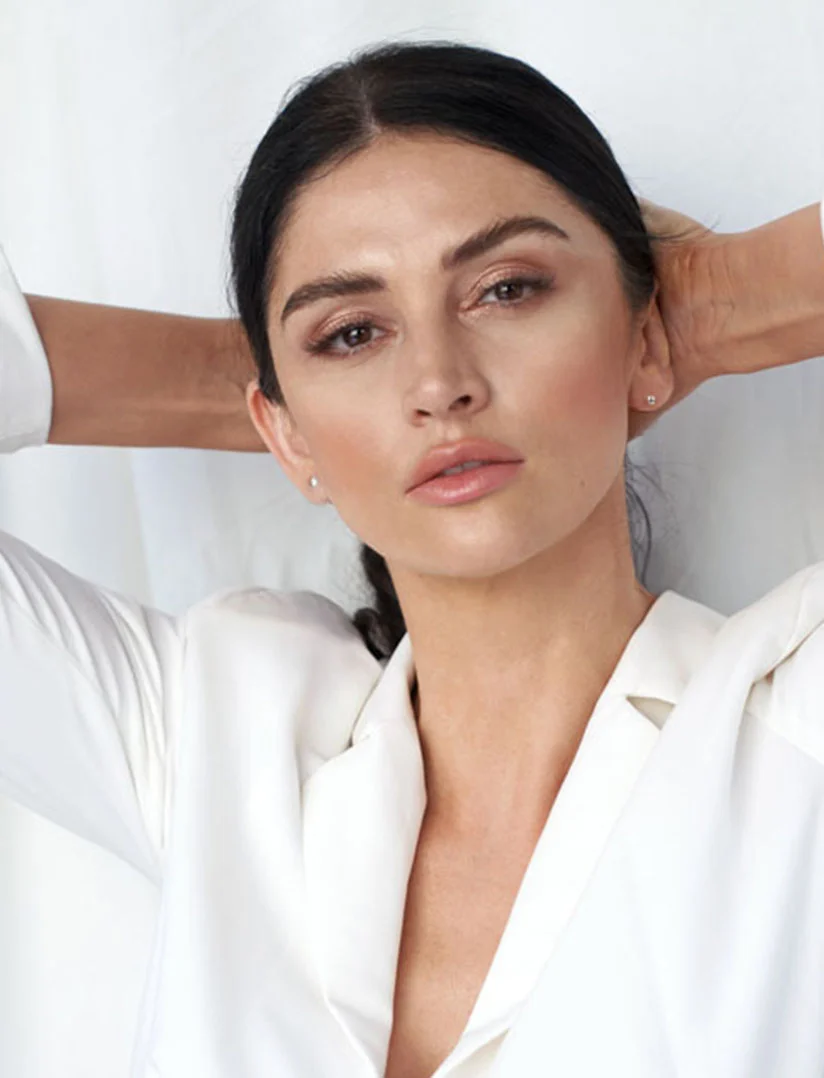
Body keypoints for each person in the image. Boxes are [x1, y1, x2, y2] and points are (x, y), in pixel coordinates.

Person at [2, 39, 824, 1078]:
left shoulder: (792, 725)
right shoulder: (216, 733)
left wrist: (714, 300)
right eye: (352, 335)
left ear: (644, 339)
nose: (438, 381)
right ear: (283, 433)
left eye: (506, 289)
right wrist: (265, 384)